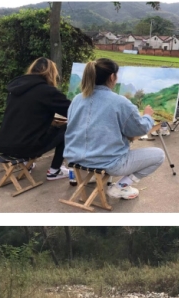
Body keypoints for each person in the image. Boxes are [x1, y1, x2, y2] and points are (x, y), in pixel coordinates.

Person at [64, 58, 165, 200]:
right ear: (112, 77)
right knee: (159, 155)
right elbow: (140, 129)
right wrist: (148, 116)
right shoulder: (120, 102)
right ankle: (121, 187)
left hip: (74, 158)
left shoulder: (77, 99)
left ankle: (94, 176)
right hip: (108, 163)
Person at [0, 57, 71, 181]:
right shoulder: (46, 91)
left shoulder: (15, 88)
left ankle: (27, 164)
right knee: (68, 128)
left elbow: (27, 115)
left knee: (47, 129)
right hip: (25, 147)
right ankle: (55, 171)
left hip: (4, 144)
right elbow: (72, 111)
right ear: (51, 73)